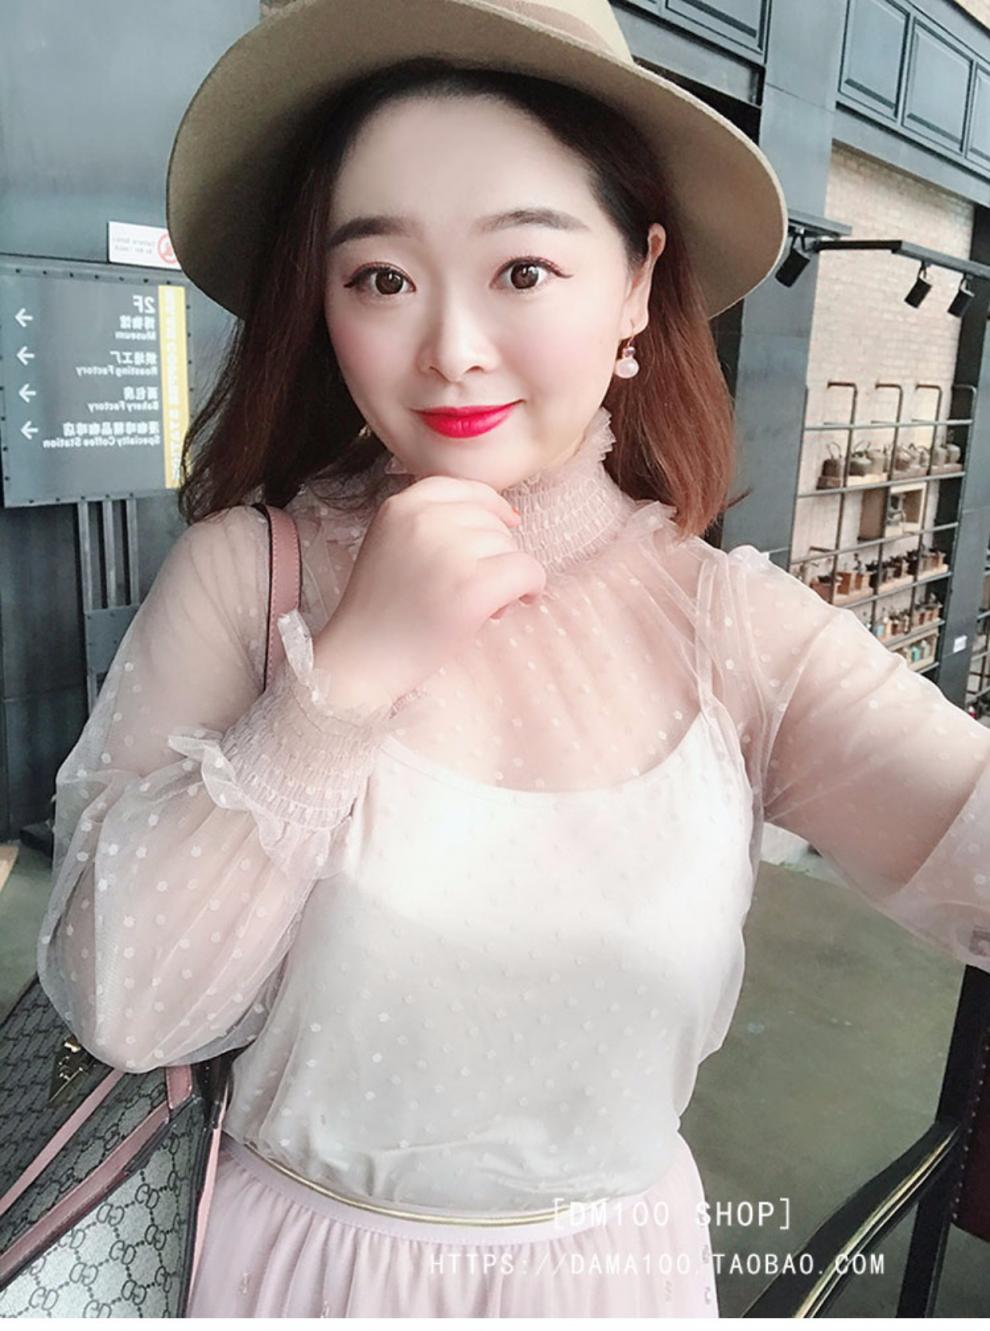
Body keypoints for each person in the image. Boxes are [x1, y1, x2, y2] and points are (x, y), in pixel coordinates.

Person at [36, 0, 990, 1317]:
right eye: (381, 278)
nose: (451, 349)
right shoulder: (244, 577)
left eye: (523, 270)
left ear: (637, 283)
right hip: (296, 1276)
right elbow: (125, 1005)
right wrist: (339, 685)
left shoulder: (725, 624)